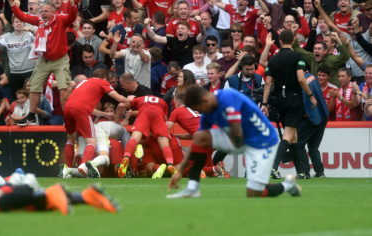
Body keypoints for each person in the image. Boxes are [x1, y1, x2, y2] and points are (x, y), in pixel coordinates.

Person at [167, 86, 301, 198]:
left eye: (199, 109)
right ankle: (193, 188)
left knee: (254, 192)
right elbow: (197, 142)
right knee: (200, 136)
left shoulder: (227, 97)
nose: (200, 112)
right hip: (238, 137)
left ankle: (287, 185)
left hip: (262, 143)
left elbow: (237, 135)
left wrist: (219, 147)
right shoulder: (207, 113)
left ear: (204, 100)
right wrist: (180, 171)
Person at [6, 0, 77, 117]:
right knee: (34, 86)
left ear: (53, 12)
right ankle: (32, 116)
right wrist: (12, 5)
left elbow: (72, 17)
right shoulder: (39, 21)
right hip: (44, 59)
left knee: (63, 88)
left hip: (60, 60)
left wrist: (73, 5)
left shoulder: (61, 20)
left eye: (46, 11)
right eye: (42, 11)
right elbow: (23, 17)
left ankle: (68, 117)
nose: (43, 13)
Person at [262, 30, 317, 179]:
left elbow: (268, 83)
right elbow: (300, 78)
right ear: (293, 40)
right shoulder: (297, 57)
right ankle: (273, 168)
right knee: (288, 135)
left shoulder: (273, 59)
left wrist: (264, 103)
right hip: (294, 98)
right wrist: (311, 95)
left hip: (280, 99)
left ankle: (302, 172)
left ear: (279, 41)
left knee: (294, 137)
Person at [62, 71, 130, 177]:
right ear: (105, 78)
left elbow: (66, 99)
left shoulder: (83, 82)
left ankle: (67, 170)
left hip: (68, 108)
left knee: (70, 139)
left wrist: (105, 114)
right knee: (92, 142)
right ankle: (83, 166)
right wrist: (132, 101)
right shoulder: (103, 82)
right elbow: (119, 99)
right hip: (81, 110)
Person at [117, 95, 178, 179]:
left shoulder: (139, 99)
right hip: (158, 116)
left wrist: (118, 120)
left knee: (134, 139)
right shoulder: (162, 102)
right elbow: (164, 118)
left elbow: (121, 105)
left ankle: (126, 157)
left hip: (144, 114)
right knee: (165, 146)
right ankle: (170, 164)